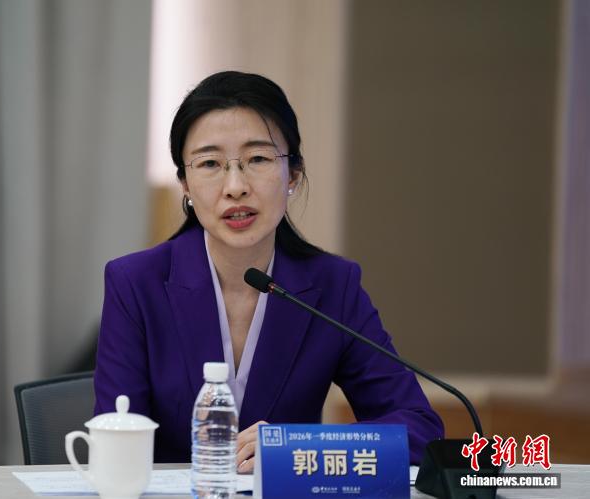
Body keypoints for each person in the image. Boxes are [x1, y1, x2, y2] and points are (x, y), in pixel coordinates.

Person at [93, 71, 444, 471]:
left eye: (258, 159)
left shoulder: (333, 287)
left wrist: (294, 448)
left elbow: (420, 431)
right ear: (185, 184)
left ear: (292, 174)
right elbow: (115, 443)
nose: (235, 186)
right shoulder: (135, 284)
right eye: (209, 163)